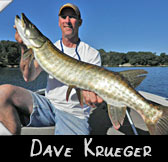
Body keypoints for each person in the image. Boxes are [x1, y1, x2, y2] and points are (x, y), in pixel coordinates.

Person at [0, 3, 103, 135]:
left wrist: (91, 93)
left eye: (72, 17)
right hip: (48, 106)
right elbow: (28, 76)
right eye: (63, 17)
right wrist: (24, 46)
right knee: (2, 94)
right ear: (59, 22)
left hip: (73, 112)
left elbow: (93, 88)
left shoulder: (91, 54)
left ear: (79, 22)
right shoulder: (48, 48)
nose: (67, 20)